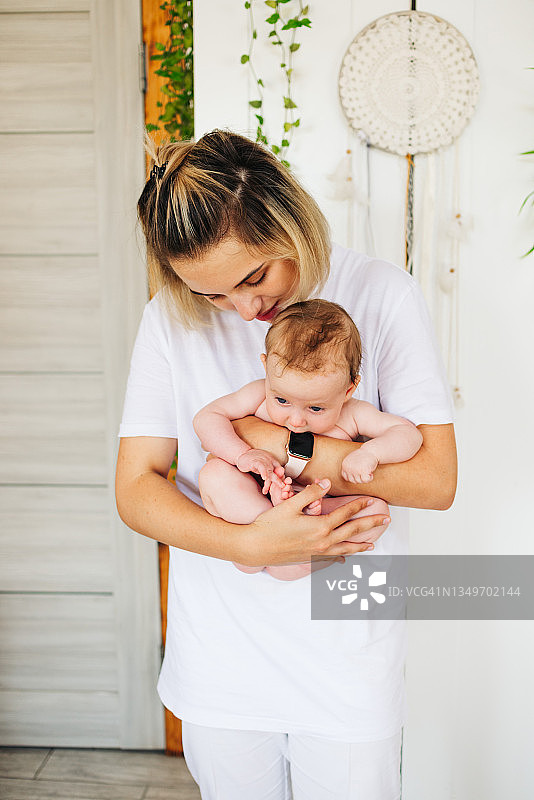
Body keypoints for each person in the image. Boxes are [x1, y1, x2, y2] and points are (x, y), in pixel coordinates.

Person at [115, 129, 457, 800]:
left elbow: (435, 481)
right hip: (220, 656)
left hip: (348, 656)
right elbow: (136, 488)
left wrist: (268, 440)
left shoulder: (381, 294)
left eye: (254, 278)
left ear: (290, 220)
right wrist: (251, 545)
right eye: (214, 295)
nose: (245, 310)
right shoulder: (169, 319)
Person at [194, 298, 423, 581]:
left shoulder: (353, 413)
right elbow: (207, 417)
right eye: (282, 400)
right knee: (214, 474)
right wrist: (241, 454)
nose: (296, 420)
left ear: (348, 389)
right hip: (258, 499)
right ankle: (264, 535)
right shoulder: (257, 394)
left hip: (320, 507)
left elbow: (408, 434)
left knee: (376, 513)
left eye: (315, 408)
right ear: (266, 369)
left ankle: (297, 559)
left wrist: (371, 453)